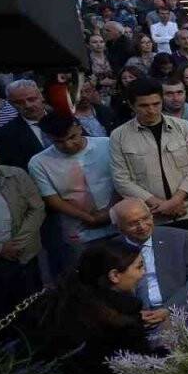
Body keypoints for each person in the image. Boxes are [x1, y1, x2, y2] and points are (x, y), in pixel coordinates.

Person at [25, 240, 151, 374]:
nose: (143, 273)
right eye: (138, 267)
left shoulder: (66, 302)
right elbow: (140, 361)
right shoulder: (124, 312)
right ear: (114, 276)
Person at [110, 78, 188, 232]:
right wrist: (160, 205)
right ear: (131, 105)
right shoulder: (119, 136)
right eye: (144, 105)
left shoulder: (183, 127)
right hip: (152, 217)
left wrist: (175, 201)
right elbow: (121, 180)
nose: (151, 110)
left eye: (156, 104)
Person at [29, 112, 114, 277]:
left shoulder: (107, 144)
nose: (68, 145)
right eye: (59, 142)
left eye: (72, 137)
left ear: (79, 127)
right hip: (80, 231)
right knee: (88, 276)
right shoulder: (39, 162)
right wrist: (89, 218)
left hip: (118, 221)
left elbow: (120, 179)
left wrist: (110, 211)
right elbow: (52, 199)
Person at [108, 197, 188, 327]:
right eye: (133, 223)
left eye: (145, 218)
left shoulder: (180, 238)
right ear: (119, 227)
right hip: (132, 318)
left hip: (178, 310)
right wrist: (133, 314)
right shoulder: (110, 250)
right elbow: (107, 290)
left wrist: (169, 308)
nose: (142, 226)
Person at [0, 143, 46, 319]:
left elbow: (37, 208)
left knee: (34, 304)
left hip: (25, 255)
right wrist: (0, 249)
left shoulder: (15, 175)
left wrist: (17, 244)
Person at [0, 79, 50, 170]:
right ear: (11, 104)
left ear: (41, 96)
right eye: (19, 102)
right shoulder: (5, 135)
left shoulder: (66, 118)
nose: (27, 105)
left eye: (31, 99)